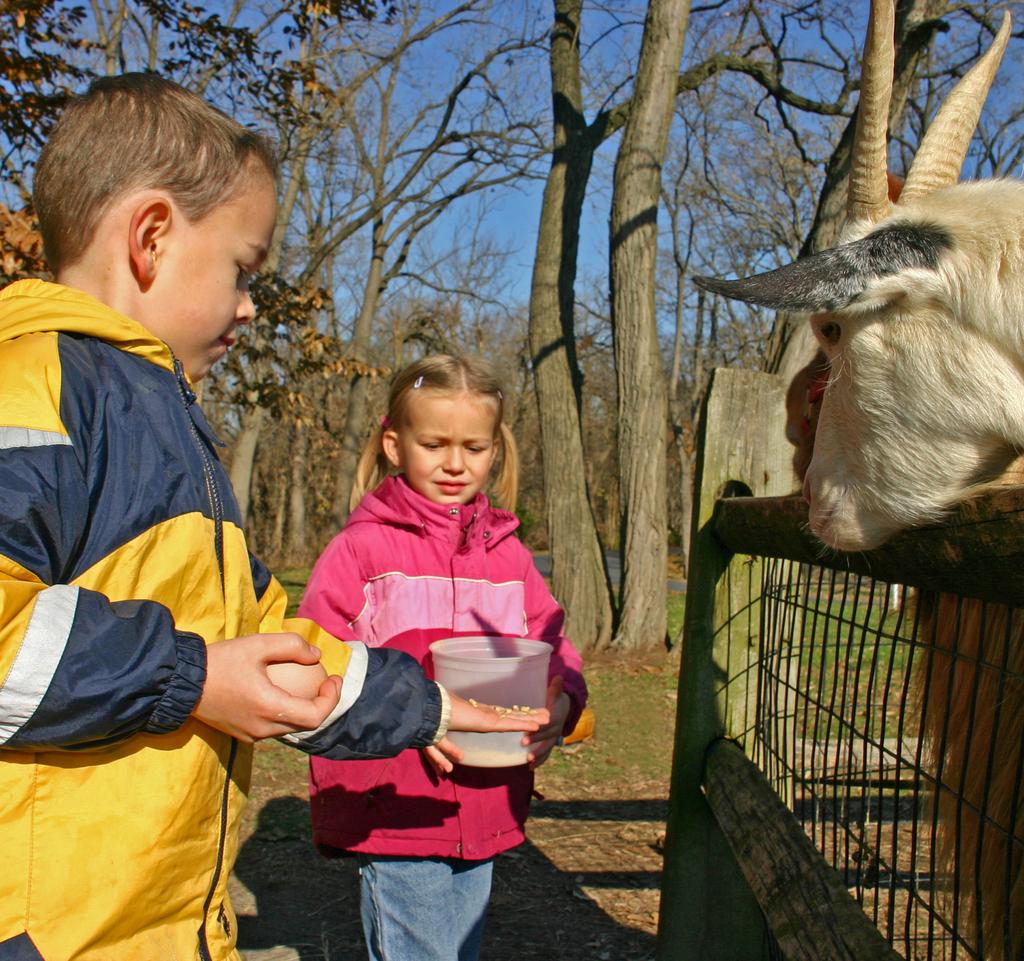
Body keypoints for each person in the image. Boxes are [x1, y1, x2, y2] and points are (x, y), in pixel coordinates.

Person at [0, 74, 544, 961]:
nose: (252, 306)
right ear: (151, 238)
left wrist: (434, 709)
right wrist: (191, 676)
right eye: (242, 270)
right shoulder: (35, 386)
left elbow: (274, 644)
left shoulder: (171, 431)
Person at [299, 354, 589, 961]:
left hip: (487, 794)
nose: (456, 463)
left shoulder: (508, 557)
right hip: (397, 800)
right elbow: (315, 657)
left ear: (495, 451)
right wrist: (410, 718)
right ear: (394, 445)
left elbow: (551, 640)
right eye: (434, 444)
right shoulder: (362, 549)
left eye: (475, 448)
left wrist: (564, 698)